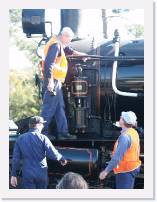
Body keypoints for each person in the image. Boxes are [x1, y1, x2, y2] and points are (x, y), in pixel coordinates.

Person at [40, 27, 86, 140]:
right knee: (48, 107)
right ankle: (42, 133)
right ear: (64, 36)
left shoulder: (58, 44)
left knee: (59, 107)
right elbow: (49, 64)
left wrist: (82, 55)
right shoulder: (55, 45)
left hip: (56, 81)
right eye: (69, 39)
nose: (69, 41)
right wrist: (50, 82)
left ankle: (63, 133)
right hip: (53, 80)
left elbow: (69, 50)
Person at [10, 116, 67, 189]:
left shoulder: (20, 139)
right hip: (41, 173)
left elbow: (16, 159)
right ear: (38, 125)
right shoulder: (43, 138)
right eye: (42, 124)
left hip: (28, 173)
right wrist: (62, 159)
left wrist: (13, 175)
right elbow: (52, 153)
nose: (43, 126)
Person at [99, 111, 141, 189]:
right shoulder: (134, 132)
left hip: (125, 171)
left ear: (123, 121)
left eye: (121, 117)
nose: (120, 118)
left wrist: (105, 172)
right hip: (131, 168)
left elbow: (117, 158)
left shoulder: (125, 137)